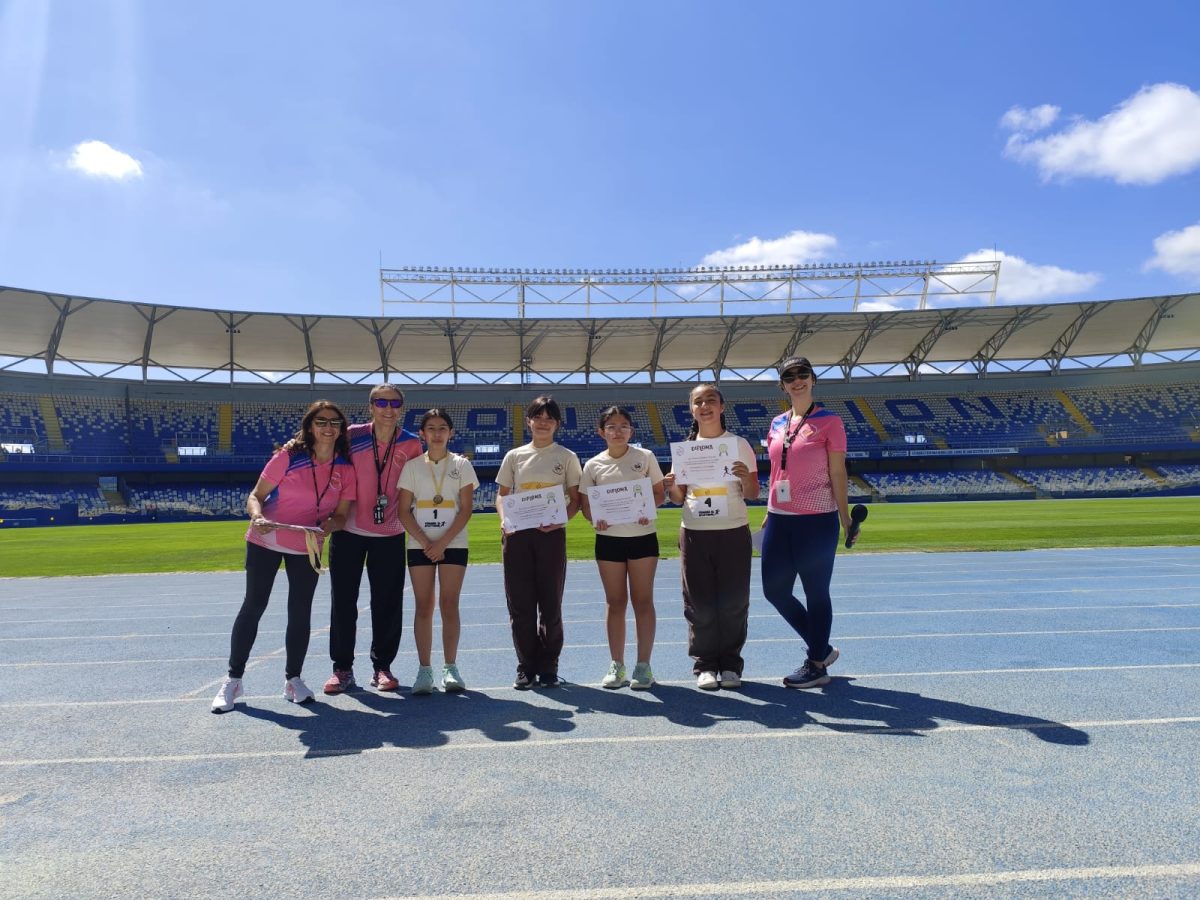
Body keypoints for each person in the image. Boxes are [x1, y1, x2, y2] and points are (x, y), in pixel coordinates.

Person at [212, 401, 355, 713]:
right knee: (253, 605)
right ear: (310, 426)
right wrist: (257, 516)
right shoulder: (288, 457)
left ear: (341, 429)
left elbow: (342, 515)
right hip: (266, 539)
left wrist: (331, 525)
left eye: (335, 422)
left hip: (307, 544)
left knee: (300, 612)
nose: (328, 427)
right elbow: (256, 496)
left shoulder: (345, 468)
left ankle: (293, 679)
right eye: (321, 421)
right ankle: (233, 680)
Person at [323, 384, 423, 695]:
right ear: (370, 407)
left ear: (401, 408)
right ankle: (342, 668)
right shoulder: (351, 435)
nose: (388, 408)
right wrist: (291, 446)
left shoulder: (411, 443)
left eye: (395, 403)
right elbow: (319, 447)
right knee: (343, 602)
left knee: (387, 603)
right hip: (348, 529)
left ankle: (382, 666)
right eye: (381, 402)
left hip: (390, 531)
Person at [761, 356, 852, 689]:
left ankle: (816, 666)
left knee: (816, 592)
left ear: (813, 379)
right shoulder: (776, 423)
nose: (797, 380)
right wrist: (767, 513)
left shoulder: (830, 422)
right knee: (774, 591)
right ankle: (822, 648)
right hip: (779, 518)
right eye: (789, 376)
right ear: (782, 385)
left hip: (817, 519)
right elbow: (776, 471)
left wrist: (845, 517)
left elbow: (838, 472)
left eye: (803, 374)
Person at [664, 384, 759, 691]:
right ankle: (705, 665)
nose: (704, 406)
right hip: (695, 533)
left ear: (721, 407)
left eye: (710, 400)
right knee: (699, 604)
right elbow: (679, 497)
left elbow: (753, 493)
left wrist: (744, 477)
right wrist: (671, 485)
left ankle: (730, 664)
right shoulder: (685, 450)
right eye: (698, 402)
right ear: (691, 409)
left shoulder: (739, 445)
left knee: (734, 602)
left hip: (733, 530)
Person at [496, 395, 582, 689]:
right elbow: (502, 495)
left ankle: (548, 665)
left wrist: (561, 520)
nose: (543, 423)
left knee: (550, 604)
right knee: (520, 605)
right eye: (538, 417)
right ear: (529, 421)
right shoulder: (514, 456)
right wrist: (504, 520)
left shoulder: (567, 456)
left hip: (551, 536)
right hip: (517, 535)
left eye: (549, 418)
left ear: (557, 424)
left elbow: (575, 499)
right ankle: (526, 665)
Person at [579, 406, 665, 690]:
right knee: (615, 602)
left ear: (631, 430)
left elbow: (659, 493)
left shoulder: (645, 457)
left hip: (642, 536)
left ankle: (643, 665)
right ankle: (616, 664)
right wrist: (595, 518)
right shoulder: (593, 465)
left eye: (623, 426)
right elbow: (586, 505)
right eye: (611, 426)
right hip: (609, 540)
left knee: (643, 601)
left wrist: (647, 508)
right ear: (601, 432)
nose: (618, 431)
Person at [396, 408, 478, 694]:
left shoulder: (462, 465)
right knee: (423, 606)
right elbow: (403, 511)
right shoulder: (412, 467)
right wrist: (425, 542)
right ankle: (424, 670)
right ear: (422, 433)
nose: (437, 433)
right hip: (419, 544)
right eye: (431, 428)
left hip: (453, 543)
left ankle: (450, 668)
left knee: (449, 603)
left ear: (451, 432)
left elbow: (465, 510)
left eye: (442, 427)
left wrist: (441, 543)